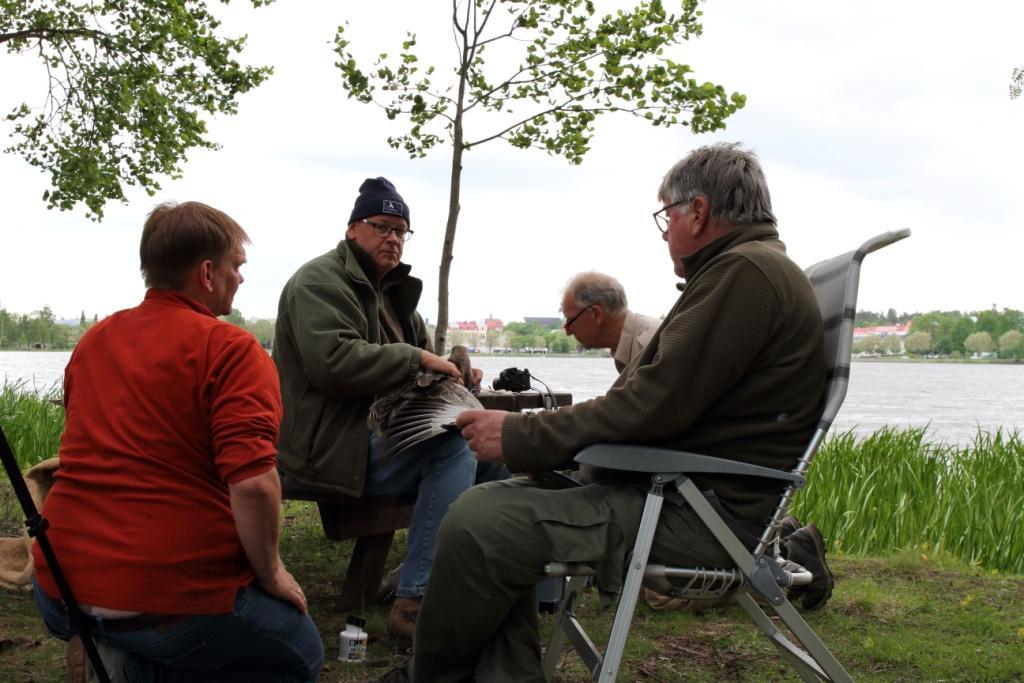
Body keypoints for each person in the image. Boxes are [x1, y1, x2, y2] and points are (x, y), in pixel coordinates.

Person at [400, 142, 829, 681]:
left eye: (667, 216)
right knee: (489, 506)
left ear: (697, 212)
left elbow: (651, 404)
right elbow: (661, 401)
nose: (666, 231)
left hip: (696, 515)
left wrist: (523, 436)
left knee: (479, 524)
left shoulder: (745, 274)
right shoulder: (744, 271)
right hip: (678, 492)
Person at [32, 202, 323, 682]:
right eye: (236, 266)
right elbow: (253, 484)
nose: (241, 278)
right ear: (207, 273)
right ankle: (131, 661)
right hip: (167, 600)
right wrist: (271, 573)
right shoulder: (232, 349)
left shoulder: (95, 339)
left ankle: (116, 655)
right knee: (299, 655)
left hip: (59, 589)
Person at [273, 177, 494, 641]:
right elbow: (332, 363)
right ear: (354, 229)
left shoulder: (391, 292)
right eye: (382, 226)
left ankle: (481, 584)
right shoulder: (318, 281)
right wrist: (416, 359)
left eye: (401, 230)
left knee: (494, 450)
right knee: (452, 451)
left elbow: (421, 366)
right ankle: (415, 603)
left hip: (377, 436)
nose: (393, 238)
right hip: (328, 448)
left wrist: (454, 371)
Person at [561, 271, 661, 372]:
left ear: (596, 314)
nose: (568, 332)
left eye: (571, 321)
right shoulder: (635, 344)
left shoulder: (650, 346)